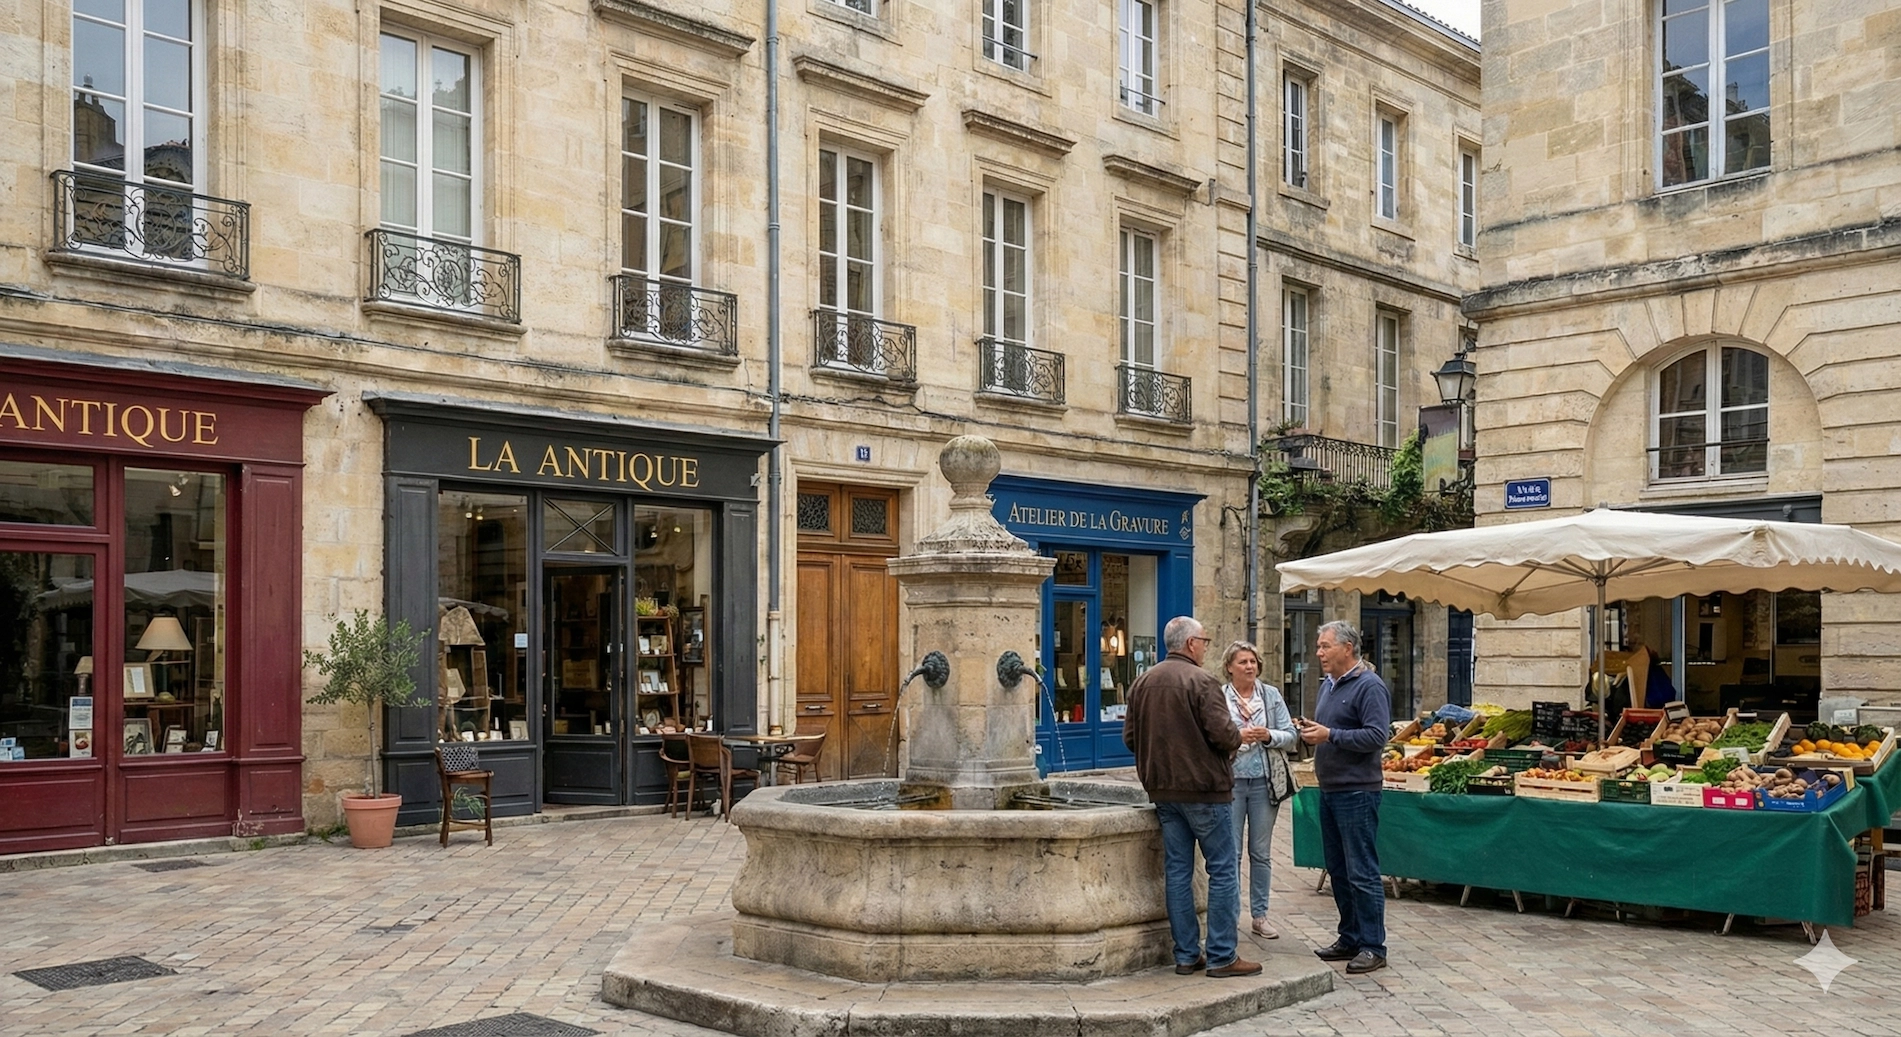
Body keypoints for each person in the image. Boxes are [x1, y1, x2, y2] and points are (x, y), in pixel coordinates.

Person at [1123, 616, 1260, 978]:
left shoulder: (1142, 682)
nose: (1205, 647)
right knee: (1223, 870)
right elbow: (1224, 735)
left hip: (1164, 791)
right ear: (1190, 645)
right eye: (1205, 641)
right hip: (1205, 790)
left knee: (1178, 872)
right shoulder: (1202, 681)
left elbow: (1130, 738)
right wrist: (1233, 739)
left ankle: (1186, 954)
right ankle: (1221, 955)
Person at [1296, 620, 1391, 975]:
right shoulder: (1328, 686)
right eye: (1319, 646)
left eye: (1325, 646)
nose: (1318, 652)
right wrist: (1312, 733)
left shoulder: (1370, 686)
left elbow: (1376, 736)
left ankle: (1373, 945)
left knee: (1362, 871)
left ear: (1347, 648)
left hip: (1357, 791)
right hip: (1330, 789)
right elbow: (1332, 732)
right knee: (1338, 869)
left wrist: (1331, 735)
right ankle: (1349, 936)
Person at [1221, 639, 1297, 940]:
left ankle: (1260, 915)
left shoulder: (1271, 695)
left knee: (1261, 852)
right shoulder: (1219, 697)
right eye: (1243, 662)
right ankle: (1230, 916)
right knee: (1232, 852)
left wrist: (1268, 736)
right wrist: (1236, 737)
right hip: (1231, 783)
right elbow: (1212, 736)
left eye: (1253, 662)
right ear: (1229, 667)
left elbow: (1291, 735)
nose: (1250, 666)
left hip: (1266, 783)